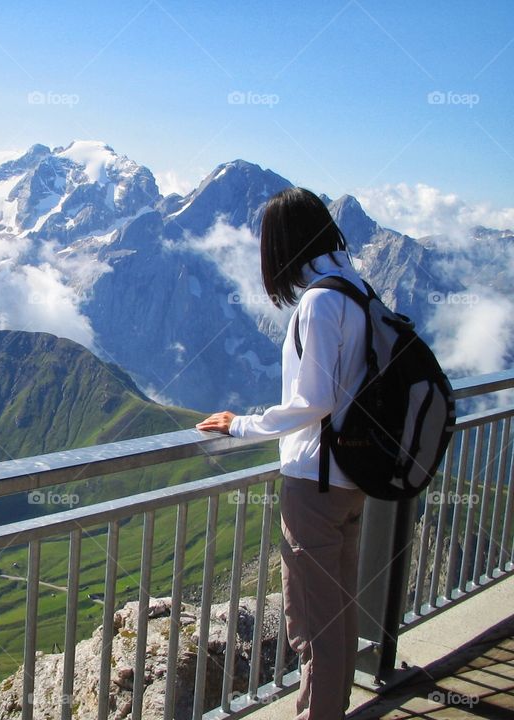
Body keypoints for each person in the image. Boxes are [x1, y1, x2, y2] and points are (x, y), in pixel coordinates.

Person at [197, 187, 367, 719]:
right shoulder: (359, 289)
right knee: (339, 613)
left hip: (314, 482)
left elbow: (312, 402)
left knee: (313, 626)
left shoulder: (318, 301)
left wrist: (241, 424)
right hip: (356, 476)